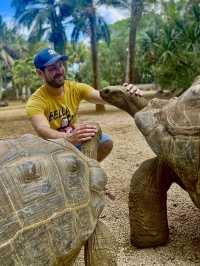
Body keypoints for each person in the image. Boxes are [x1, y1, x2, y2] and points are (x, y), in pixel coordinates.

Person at [26, 48, 142, 161]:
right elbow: (42, 129)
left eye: (60, 65)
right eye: (52, 68)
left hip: (74, 139)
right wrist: (68, 138)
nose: (59, 71)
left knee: (106, 142)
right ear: (40, 73)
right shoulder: (36, 101)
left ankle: (84, 171)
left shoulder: (75, 88)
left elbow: (105, 97)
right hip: (52, 147)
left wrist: (127, 92)